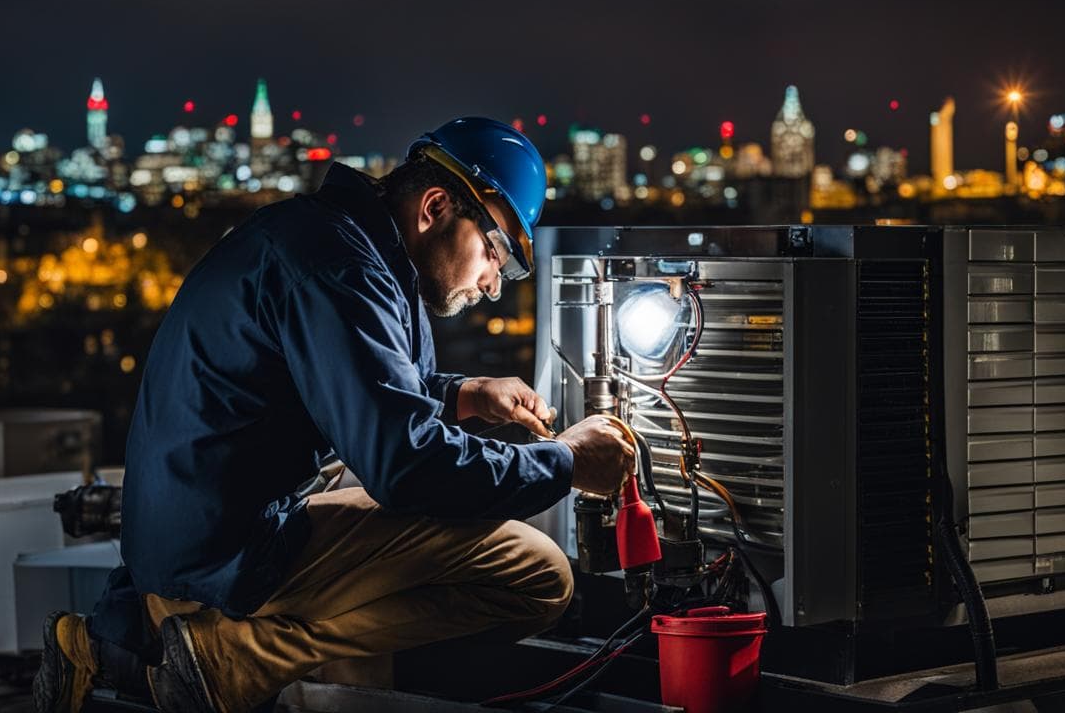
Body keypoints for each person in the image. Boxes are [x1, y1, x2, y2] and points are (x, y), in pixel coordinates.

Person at [34, 117, 635, 713]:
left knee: (362, 477)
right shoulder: (343, 270)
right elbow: (405, 466)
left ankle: (131, 642)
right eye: (495, 252)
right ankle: (234, 658)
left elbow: (350, 382)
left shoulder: (334, 241)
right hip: (219, 558)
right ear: (435, 207)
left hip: (182, 536)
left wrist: (467, 394)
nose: (492, 284)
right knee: (538, 574)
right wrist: (565, 462)